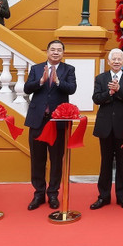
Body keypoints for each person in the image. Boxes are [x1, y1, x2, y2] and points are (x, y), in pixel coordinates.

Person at [24, 40, 77, 210]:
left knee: (56, 159)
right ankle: (38, 193)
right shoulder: (36, 68)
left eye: (59, 50)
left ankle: (53, 193)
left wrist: (58, 81)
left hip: (57, 121)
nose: (55, 52)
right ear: (47, 52)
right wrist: (41, 81)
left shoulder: (68, 69)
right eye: (52, 49)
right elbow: (27, 88)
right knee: (37, 159)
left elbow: (72, 89)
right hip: (38, 120)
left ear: (63, 53)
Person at [90, 48, 123, 210]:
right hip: (105, 126)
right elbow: (96, 99)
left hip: (122, 126)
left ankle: (122, 197)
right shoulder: (101, 78)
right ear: (109, 62)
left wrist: (119, 91)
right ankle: (103, 196)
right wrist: (109, 93)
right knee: (105, 162)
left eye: (119, 59)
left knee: (122, 162)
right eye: (114, 59)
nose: (116, 61)